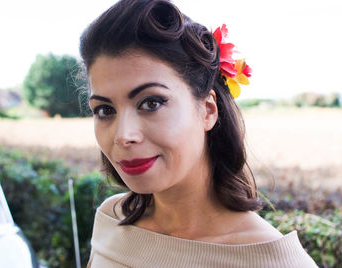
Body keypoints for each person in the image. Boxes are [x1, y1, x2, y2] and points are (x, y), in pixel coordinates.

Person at [80, 0, 318, 267]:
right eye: (104, 110)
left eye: (151, 103)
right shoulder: (112, 218)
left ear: (207, 110)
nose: (123, 136)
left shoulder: (275, 261)